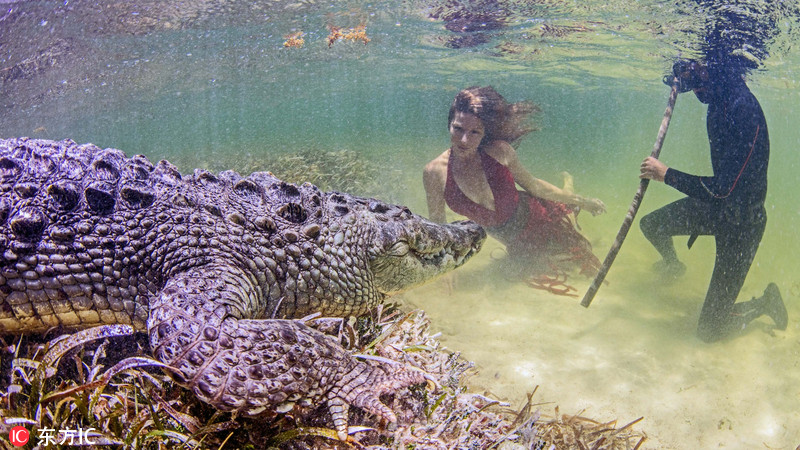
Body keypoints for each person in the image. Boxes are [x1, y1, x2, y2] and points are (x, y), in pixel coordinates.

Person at [639, 58, 788, 342]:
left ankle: (765, 302)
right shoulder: (718, 103)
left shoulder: (742, 109)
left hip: (743, 224)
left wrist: (666, 174)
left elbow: (723, 189)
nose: (696, 91)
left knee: (710, 331)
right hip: (717, 209)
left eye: (700, 79)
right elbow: (721, 193)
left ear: (718, 68)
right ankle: (674, 266)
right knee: (651, 225)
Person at [423, 86, 606, 287]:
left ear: (484, 133)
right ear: (449, 125)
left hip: (539, 217)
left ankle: (569, 186)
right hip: (511, 239)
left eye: (474, 132)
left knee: (578, 259)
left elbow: (535, 187)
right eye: (458, 129)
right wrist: (444, 265)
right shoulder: (434, 173)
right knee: (531, 269)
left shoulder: (500, 152)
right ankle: (568, 187)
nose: (464, 140)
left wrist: (584, 202)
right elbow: (438, 224)